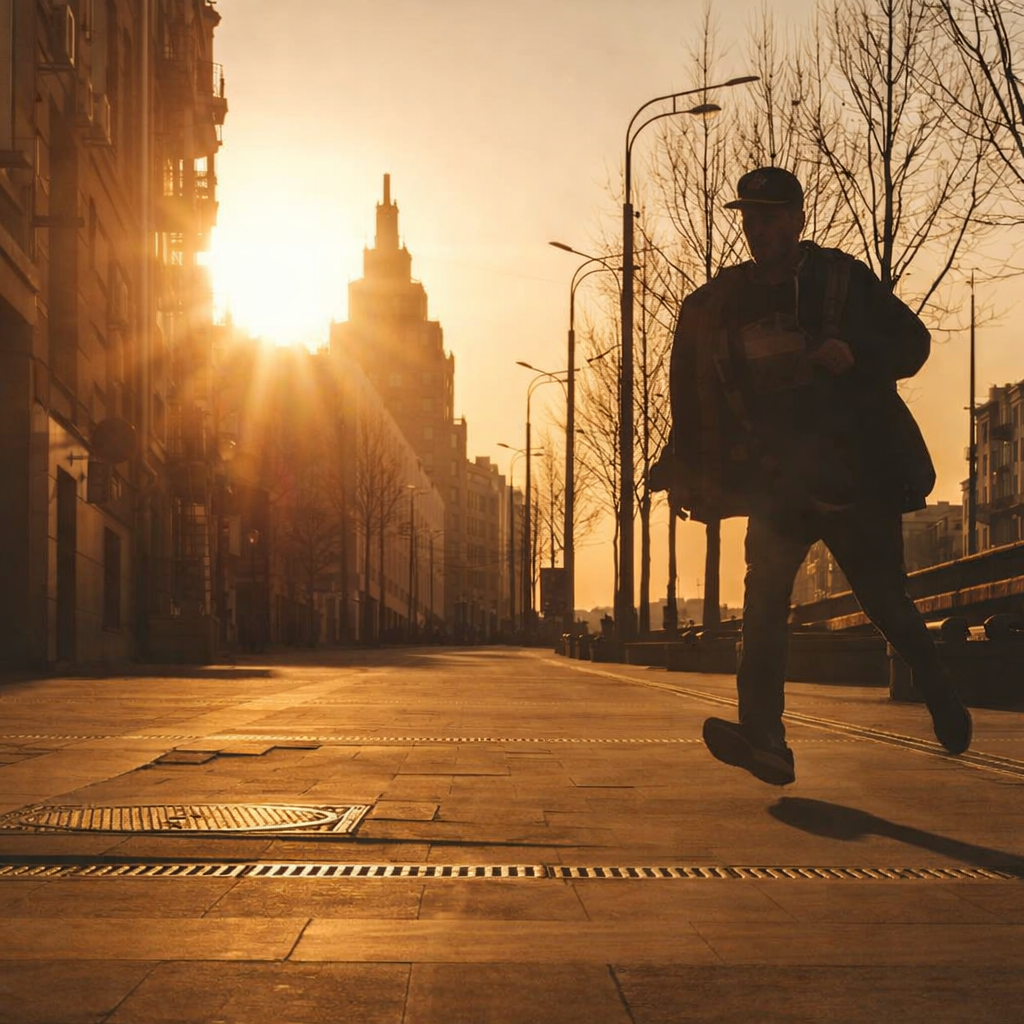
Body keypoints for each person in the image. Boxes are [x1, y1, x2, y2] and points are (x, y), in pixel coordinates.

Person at [653, 166, 972, 786]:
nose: (757, 229)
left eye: (770, 217)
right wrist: (684, 465)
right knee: (763, 602)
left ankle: (938, 689)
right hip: (780, 483)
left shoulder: (843, 280)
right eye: (749, 218)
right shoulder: (724, 302)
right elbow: (696, 395)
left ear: (798, 219)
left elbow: (913, 343)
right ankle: (764, 736)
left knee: (886, 603)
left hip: (855, 478)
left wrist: (856, 354)